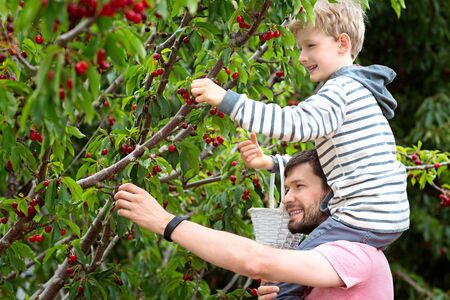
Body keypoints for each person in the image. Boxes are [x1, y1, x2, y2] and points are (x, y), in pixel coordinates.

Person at [191, 0, 408, 296]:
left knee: (286, 270)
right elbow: (325, 162)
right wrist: (272, 163)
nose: (303, 57)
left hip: (361, 217)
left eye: (310, 45)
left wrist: (226, 100)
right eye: (300, 48)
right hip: (383, 217)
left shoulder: (340, 92)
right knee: (295, 273)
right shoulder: (359, 92)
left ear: (342, 44)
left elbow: (292, 123)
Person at [114, 150, 394, 299]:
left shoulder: (357, 253)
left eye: (298, 187)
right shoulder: (317, 260)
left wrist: (166, 222)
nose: (286, 199)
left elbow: (256, 261)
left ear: (332, 192)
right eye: (286, 188)